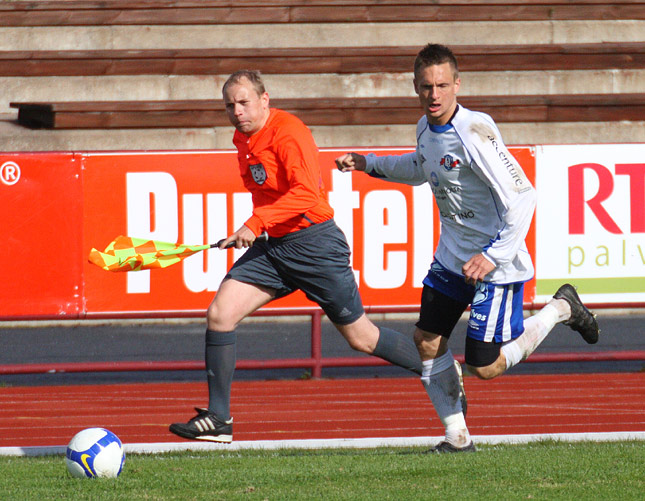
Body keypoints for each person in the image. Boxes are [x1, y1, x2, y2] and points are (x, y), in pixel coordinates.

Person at [335, 43, 599, 453]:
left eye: (442, 85)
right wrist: (369, 163)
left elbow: (524, 195)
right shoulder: (425, 128)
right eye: (426, 87)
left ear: (457, 84)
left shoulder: (475, 131)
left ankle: (561, 308)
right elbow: (420, 169)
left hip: (495, 263)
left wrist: (492, 255)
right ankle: (457, 438)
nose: (434, 94)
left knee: (484, 367)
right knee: (426, 338)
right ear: (416, 88)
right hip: (452, 257)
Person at [169, 69, 423, 443]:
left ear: (264, 100)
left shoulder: (288, 132)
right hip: (275, 246)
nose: (237, 111)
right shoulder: (242, 137)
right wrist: (258, 230)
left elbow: (307, 194)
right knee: (221, 314)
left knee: (362, 338)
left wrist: (254, 224)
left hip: (315, 245)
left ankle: (440, 368)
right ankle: (219, 420)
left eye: (244, 102)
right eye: (230, 105)